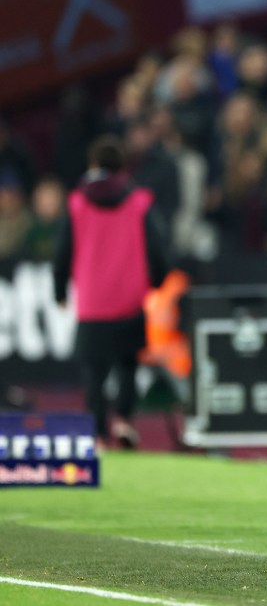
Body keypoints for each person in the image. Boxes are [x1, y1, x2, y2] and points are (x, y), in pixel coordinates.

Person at [54, 135, 170, 450]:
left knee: (94, 371)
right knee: (128, 365)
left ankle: (99, 435)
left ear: (93, 164)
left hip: (92, 300)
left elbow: (63, 250)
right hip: (130, 299)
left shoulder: (77, 202)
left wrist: (59, 289)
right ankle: (124, 420)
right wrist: (158, 282)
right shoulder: (139, 201)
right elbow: (156, 247)